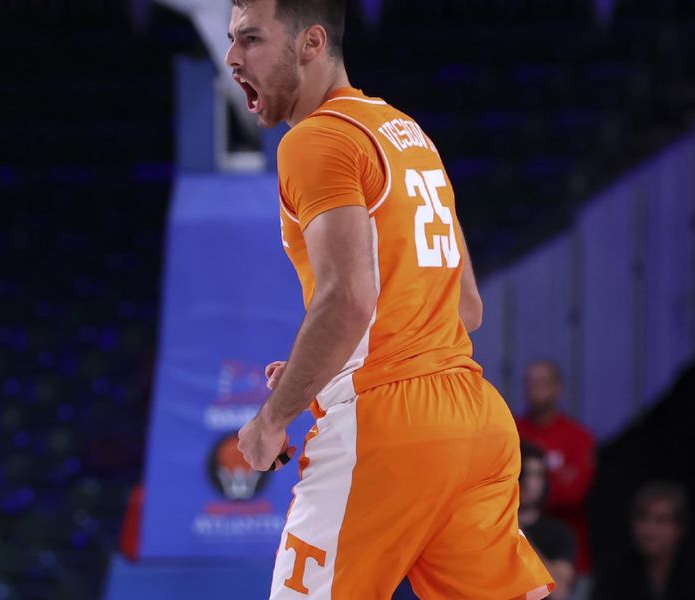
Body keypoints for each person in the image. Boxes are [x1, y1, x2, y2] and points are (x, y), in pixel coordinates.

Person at [224, 1, 555, 598]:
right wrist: (316, 368)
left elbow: (350, 301)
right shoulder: (407, 134)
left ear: (310, 42)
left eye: (251, 39)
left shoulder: (315, 139)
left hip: (387, 426)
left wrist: (272, 421)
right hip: (476, 420)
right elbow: (465, 307)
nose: (232, 58)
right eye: (232, 40)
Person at [516, 359, 596, 576]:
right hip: (514, 553)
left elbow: (575, 493)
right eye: (529, 382)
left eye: (542, 381)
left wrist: (525, 490)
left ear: (558, 388)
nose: (534, 387)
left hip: (568, 556)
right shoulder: (511, 430)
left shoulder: (578, 437)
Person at [591, 481, 695, 600]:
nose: (649, 529)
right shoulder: (617, 568)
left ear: (679, 528)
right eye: (642, 518)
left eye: (661, 520)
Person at [519, 443, 576, 600]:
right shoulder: (491, 526)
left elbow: (558, 591)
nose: (528, 482)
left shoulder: (560, 534)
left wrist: (517, 532)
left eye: (537, 475)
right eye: (524, 473)